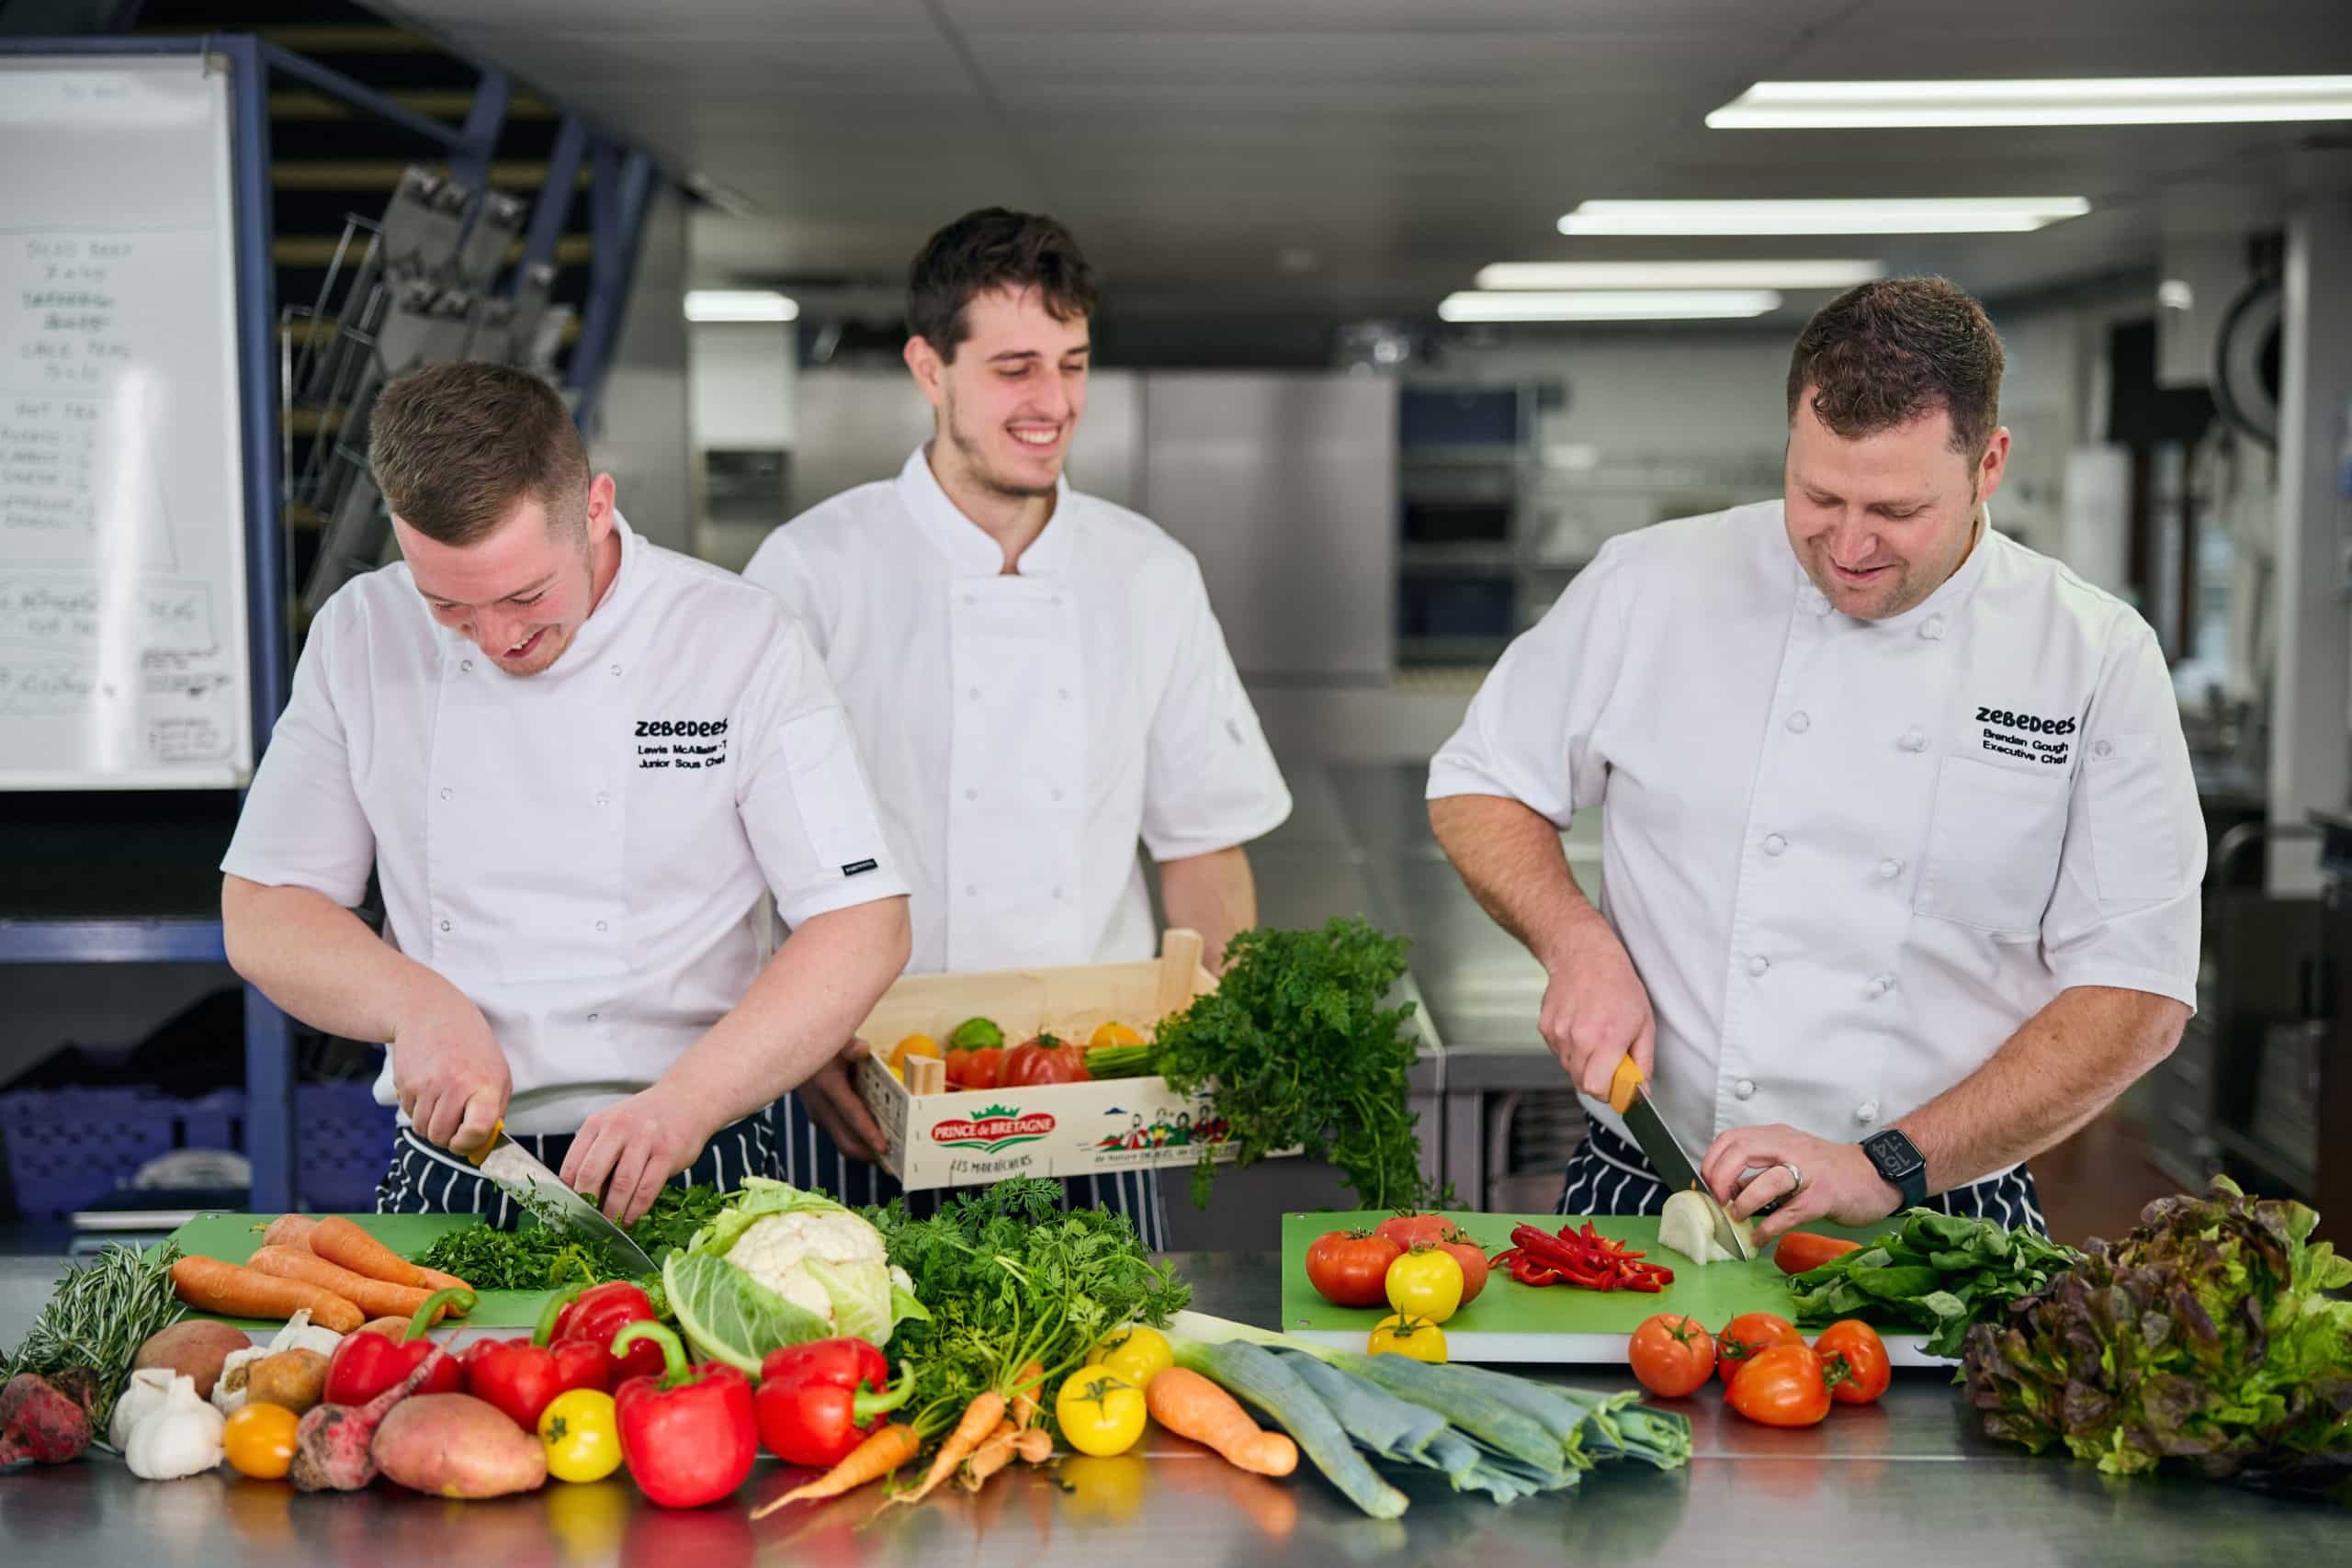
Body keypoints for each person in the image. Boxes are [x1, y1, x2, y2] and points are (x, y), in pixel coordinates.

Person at [1427, 277, 2203, 1240]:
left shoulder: (2088, 654)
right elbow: (1482, 782)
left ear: (1988, 464)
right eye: (1817, 494)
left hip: (1943, 1206)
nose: (1847, 544)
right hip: (1651, 1185)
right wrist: (1574, 942)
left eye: (1894, 508)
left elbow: (2137, 992)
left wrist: (1886, 1167)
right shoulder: (1651, 584)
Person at [220, 362, 911, 1225]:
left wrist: (688, 1102)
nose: (500, 637)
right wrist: (416, 1002)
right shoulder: (360, 634)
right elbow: (264, 904)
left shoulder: (737, 639)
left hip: (695, 1157)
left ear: (593, 506)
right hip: (457, 1163)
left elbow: (863, 922)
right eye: (450, 608)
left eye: (526, 594)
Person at [742, 208, 1292, 1247]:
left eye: (1072, 364)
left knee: (1101, 1375)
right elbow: (737, 848)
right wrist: (796, 1042)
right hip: (866, 1077)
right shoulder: (814, 570)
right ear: (928, 367)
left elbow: (1202, 843)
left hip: (1087, 1084)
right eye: (1014, 368)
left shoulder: (1148, 575)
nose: (1052, 403)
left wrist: (1229, 1033)